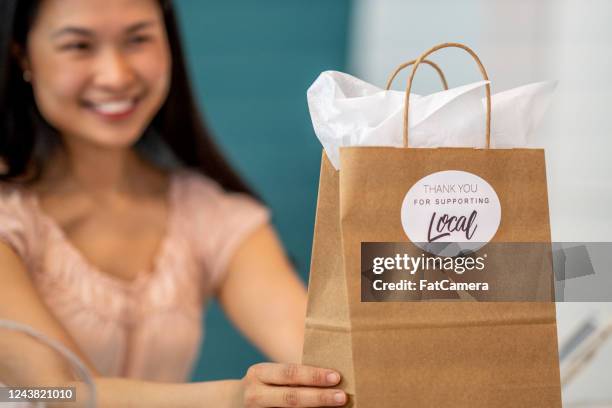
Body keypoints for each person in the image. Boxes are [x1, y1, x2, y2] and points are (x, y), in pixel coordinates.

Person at [0, 0, 347, 406]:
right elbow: (57, 393)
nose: (115, 75)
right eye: (79, 46)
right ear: (22, 54)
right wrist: (234, 399)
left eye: (138, 39)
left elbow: (325, 357)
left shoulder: (206, 212)